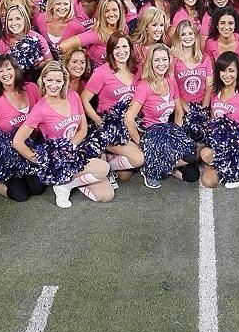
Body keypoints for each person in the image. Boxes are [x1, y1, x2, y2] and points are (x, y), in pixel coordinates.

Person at [13, 61, 115, 209]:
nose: (54, 85)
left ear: (64, 82)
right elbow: (17, 142)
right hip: (59, 159)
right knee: (103, 168)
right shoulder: (39, 109)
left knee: (106, 195)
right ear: (43, 80)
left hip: (76, 150)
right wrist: (43, 161)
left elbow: (83, 129)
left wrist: (71, 147)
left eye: (58, 81)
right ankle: (62, 183)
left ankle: (68, 184)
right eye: (50, 80)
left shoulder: (73, 96)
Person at [124, 44, 199, 188]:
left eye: (164, 59)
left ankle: (161, 164)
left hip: (168, 131)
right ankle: (151, 166)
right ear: (150, 63)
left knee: (192, 174)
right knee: (188, 157)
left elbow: (179, 113)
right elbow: (129, 118)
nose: (161, 64)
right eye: (157, 60)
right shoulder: (144, 86)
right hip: (151, 135)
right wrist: (141, 142)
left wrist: (176, 138)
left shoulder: (170, 80)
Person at [0, 55, 45, 201]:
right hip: (8, 155)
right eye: (0, 71)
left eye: (9, 68)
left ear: (16, 70)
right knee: (20, 195)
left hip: (28, 148)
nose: (6, 73)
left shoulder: (32, 88)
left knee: (38, 188)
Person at [82, 32, 143, 186]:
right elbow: (84, 99)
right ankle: (107, 165)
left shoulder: (137, 70)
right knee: (138, 158)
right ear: (110, 51)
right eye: (116, 48)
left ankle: (109, 159)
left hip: (132, 124)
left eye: (124, 46)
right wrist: (98, 120)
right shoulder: (101, 72)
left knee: (125, 177)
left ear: (130, 48)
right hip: (111, 128)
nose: (121, 51)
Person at [200, 51, 239, 189]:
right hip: (220, 145)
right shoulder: (215, 92)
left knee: (209, 158)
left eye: (231, 71)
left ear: (238, 72)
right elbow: (213, 120)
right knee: (208, 179)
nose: (227, 75)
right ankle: (225, 164)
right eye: (223, 71)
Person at [59, 0, 126, 67]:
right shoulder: (95, 34)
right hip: (97, 75)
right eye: (106, 11)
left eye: (114, 10)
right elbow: (63, 46)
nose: (111, 14)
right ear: (101, 13)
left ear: (120, 11)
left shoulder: (124, 29)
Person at [204, 6, 239, 85]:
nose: (226, 27)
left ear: (235, 25)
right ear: (217, 25)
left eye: (230, 23)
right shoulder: (209, 43)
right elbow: (211, 72)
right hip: (219, 85)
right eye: (222, 23)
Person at [0, 4, 52, 74]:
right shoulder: (2, 41)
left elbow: (50, 63)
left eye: (18, 19)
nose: (14, 23)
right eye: (10, 20)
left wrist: (39, 64)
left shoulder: (38, 39)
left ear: (24, 20)